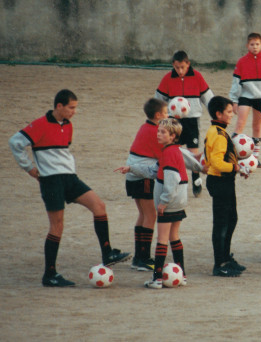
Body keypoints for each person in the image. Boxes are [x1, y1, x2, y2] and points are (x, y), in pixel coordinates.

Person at [9, 89, 130, 287]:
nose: (74, 111)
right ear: (59, 106)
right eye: (71, 108)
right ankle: (50, 274)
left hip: (70, 179)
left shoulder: (68, 125)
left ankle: (108, 253)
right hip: (51, 182)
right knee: (57, 226)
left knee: (99, 206)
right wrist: (30, 168)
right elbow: (15, 142)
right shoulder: (39, 125)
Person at [155, 50, 214, 197]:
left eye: (182, 67)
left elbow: (208, 98)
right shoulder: (168, 78)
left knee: (193, 151)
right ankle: (178, 180)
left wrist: (215, 113)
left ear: (188, 64)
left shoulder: (197, 77)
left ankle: (196, 178)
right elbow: (158, 99)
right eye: (176, 67)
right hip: (174, 122)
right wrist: (159, 116)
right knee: (175, 151)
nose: (180, 71)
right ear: (173, 66)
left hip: (192, 120)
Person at [123, 98, 168, 272]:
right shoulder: (155, 132)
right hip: (143, 177)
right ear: (158, 115)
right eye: (165, 113)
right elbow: (164, 153)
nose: (168, 115)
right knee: (150, 215)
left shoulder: (145, 127)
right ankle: (144, 257)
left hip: (133, 176)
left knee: (142, 214)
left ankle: (138, 257)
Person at [204, 96, 247, 277]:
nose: (232, 115)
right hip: (221, 181)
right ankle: (219, 263)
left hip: (222, 181)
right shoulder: (220, 135)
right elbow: (216, 162)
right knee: (222, 223)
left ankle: (225, 257)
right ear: (218, 113)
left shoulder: (216, 130)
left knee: (231, 219)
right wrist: (235, 167)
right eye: (228, 112)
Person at [229, 32, 261, 166]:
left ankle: (254, 158)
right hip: (245, 96)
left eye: (257, 44)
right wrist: (234, 100)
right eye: (252, 44)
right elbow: (236, 82)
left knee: (257, 126)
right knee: (240, 124)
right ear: (247, 46)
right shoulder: (241, 62)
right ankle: (233, 155)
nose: (255, 47)